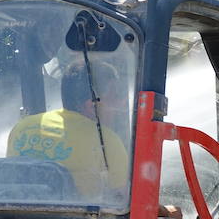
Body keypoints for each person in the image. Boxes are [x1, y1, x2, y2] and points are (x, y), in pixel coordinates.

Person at [7, 59, 130, 199]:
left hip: (19, 218)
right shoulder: (107, 141)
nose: (122, 104)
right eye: (115, 96)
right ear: (92, 106)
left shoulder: (22, 128)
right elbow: (123, 199)